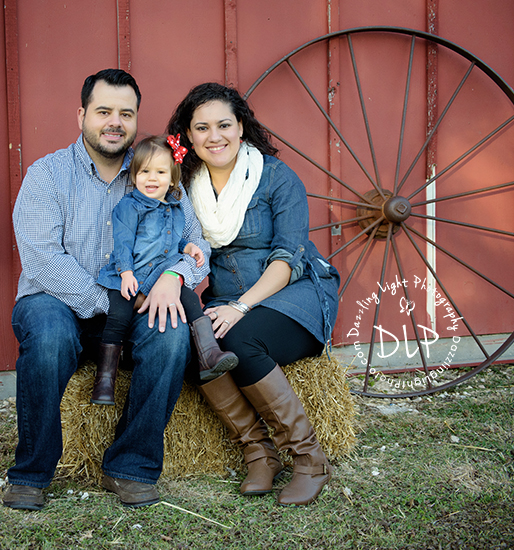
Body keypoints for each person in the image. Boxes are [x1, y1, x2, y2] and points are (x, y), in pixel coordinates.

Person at [4, 69, 210, 511]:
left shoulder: (156, 172)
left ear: (136, 121)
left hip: (135, 304)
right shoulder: (48, 174)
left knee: (172, 335)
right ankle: (32, 474)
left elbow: (197, 247)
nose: (114, 122)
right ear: (82, 115)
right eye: (103, 111)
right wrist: (111, 302)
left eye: (125, 114)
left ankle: (130, 466)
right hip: (54, 300)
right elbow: (42, 258)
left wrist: (177, 277)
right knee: (49, 337)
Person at [167, 82, 341, 506]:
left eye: (224, 124)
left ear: (241, 127)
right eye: (202, 127)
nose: (215, 136)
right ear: (189, 136)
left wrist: (241, 307)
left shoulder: (276, 178)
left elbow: (287, 258)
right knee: (189, 342)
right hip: (227, 300)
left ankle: (309, 459)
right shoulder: (184, 186)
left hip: (294, 295)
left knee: (240, 341)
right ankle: (259, 453)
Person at [92, 135, 238, 405]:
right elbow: (122, 243)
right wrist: (125, 273)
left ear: (172, 179)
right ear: (134, 176)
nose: (151, 178)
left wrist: (187, 248)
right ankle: (104, 380)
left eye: (160, 172)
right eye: (144, 171)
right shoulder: (129, 207)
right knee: (118, 317)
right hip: (129, 278)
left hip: (159, 277)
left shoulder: (174, 208)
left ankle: (209, 354)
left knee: (191, 299)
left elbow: (171, 240)